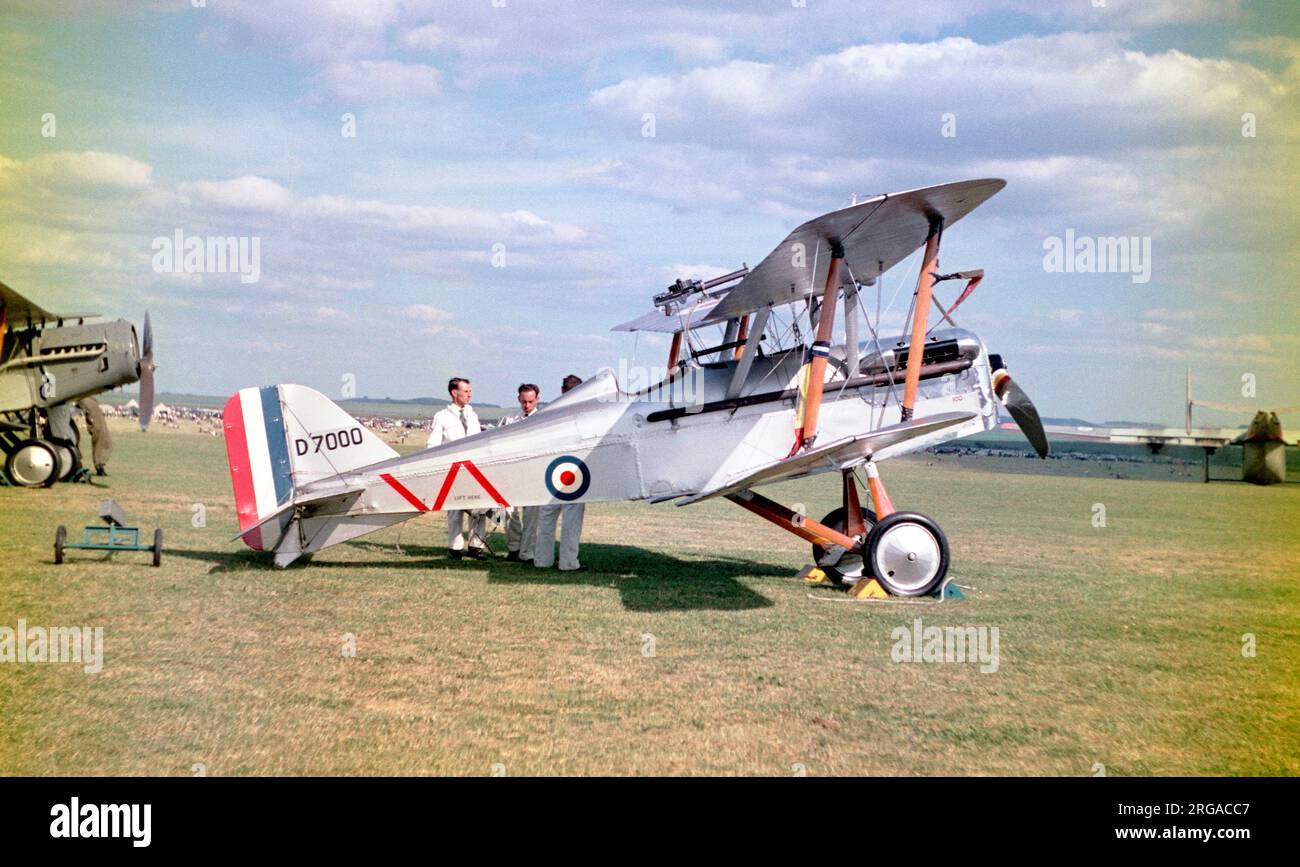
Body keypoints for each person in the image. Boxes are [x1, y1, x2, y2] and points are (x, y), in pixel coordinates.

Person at [428, 377, 486, 560]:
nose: (470, 394)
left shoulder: (472, 415)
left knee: (479, 508)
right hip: (453, 470)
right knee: (455, 509)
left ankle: (476, 546)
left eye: (469, 390)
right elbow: (433, 444)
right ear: (455, 393)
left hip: (474, 469)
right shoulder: (442, 417)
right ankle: (455, 548)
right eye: (466, 391)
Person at [534, 374, 587, 571]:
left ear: (562, 391)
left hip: (550, 469)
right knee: (571, 520)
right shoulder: (583, 413)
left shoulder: (549, 412)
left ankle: (542, 559)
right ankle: (568, 562)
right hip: (574, 471)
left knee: (547, 517)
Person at [497, 383, 541, 562]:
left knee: (532, 516)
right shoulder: (509, 420)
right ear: (518, 399)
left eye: (530, 401)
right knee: (505, 511)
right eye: (524, 401)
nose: (527, 405)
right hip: (511, 473)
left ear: (537, 399)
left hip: (534, 473)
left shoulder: (545, 420)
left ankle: (527, 552)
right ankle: (514, 547)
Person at [76, 396, 112, 476]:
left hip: (83, 392)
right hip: (74, 390)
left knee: (101, 428)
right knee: (99, 428)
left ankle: (99, 464)